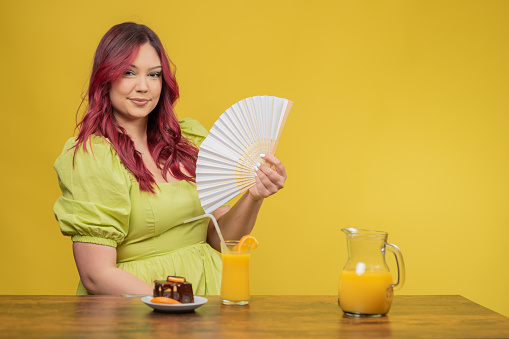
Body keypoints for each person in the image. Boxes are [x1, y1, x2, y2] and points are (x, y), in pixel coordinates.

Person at [53, 22, 287, 296]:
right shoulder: (93, 157)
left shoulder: (188, 140)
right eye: (128, 72)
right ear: (106, 78)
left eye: (154, 75)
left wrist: (253, 196)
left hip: (207, 293)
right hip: (139, 305)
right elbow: (96, 275)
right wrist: (172, 301)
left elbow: (221, 238)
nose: (143, 87)